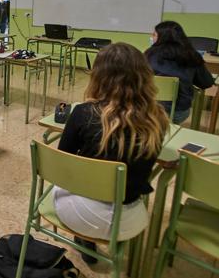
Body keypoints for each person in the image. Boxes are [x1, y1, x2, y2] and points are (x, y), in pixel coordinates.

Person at [55, 43, 170, 264]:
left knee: (60, 182)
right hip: (129, 222)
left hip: (80, 215)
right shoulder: (159, 119)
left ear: (99, 76)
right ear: (144, 75)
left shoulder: (83, 113)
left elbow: (63, 164)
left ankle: (84, 239)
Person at [145, 20, 214, 124]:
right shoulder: (193, 56)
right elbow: (206, 83)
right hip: (179, 112)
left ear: (161, 37)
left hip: (149, 110)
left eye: (154, 34)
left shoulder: (148, 55)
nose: (152, 37)